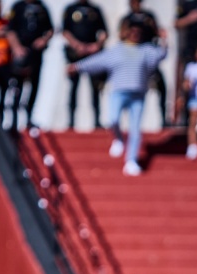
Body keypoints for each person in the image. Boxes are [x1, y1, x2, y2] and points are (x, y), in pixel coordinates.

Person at [70, 22, 168, 177]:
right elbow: (97, 61)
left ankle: (131, 160)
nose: (135, 34)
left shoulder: (146, 50)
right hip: (119, 92)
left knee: (135, 129)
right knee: (113, 119)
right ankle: (119, 139)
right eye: (132, 31)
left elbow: (161, 55)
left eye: (137, 31)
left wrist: (164, 40)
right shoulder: (116, 50)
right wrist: (77, 67)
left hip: (138, 94)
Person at [6, 0, 54, 131]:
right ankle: (13, 120)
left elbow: (50, 29)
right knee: (17, 87)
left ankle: (29, 117)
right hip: (21, 54)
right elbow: (10, 30)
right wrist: (17, 48)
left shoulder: (42, 7)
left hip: (36, 54)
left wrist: (43, 40)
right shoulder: (18, 7)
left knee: (34, 85)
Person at [62, 0, 109, 130]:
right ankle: (71, 121)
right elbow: (65, 31)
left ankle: (97, 120)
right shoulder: (70, 9)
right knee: (73, 88)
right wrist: (77, 45)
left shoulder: (95, 10)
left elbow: (104, 32)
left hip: (92, 55)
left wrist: (96, 46)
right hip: (75, 54)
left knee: (95, 87)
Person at [122, 0, 169, 126]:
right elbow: (121, 36)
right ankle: (129, 121)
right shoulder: (127, 19)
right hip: (134, 59)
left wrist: (163, 37)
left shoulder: (149, 17)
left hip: (149, 57)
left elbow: (157, 32)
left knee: (161, 86)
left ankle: (164, 118)